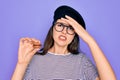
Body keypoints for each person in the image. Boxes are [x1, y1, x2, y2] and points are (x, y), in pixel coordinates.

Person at [12, 5, 116, 80]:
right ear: (53, 28)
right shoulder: (33, 59)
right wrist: (21, 63)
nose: (64, 31)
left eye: (70, 28)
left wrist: (90, 41)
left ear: (76, 34)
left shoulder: (82, 62)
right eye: (60, 25)